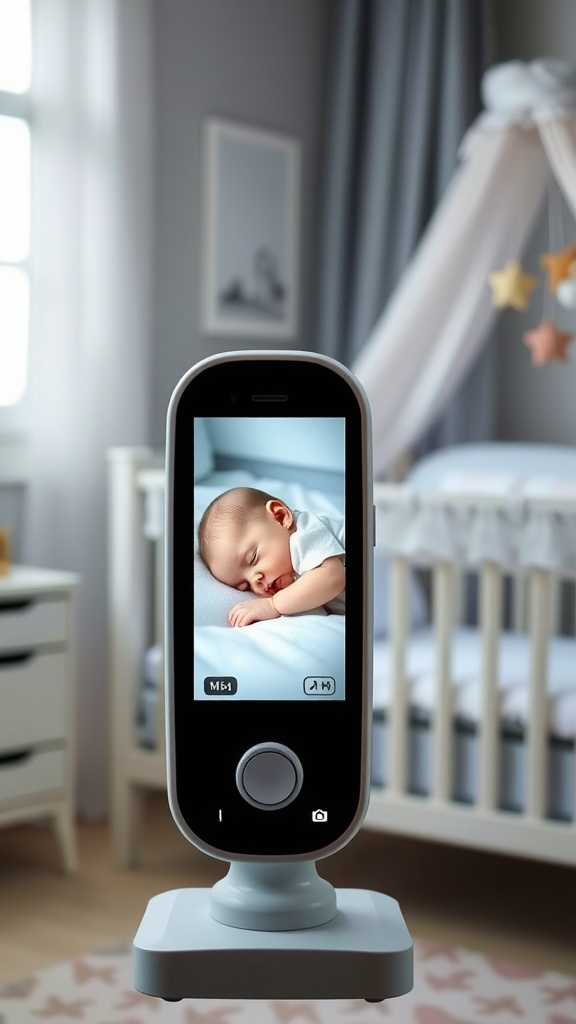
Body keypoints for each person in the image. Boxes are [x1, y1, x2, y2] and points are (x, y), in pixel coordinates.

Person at [198, 486, 345, 627]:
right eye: (246, 586)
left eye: (253, 557)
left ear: (280, 517)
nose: (256, 581)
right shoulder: (294, 576)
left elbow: (332, 577)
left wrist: (273, 604)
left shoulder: (303, 533)